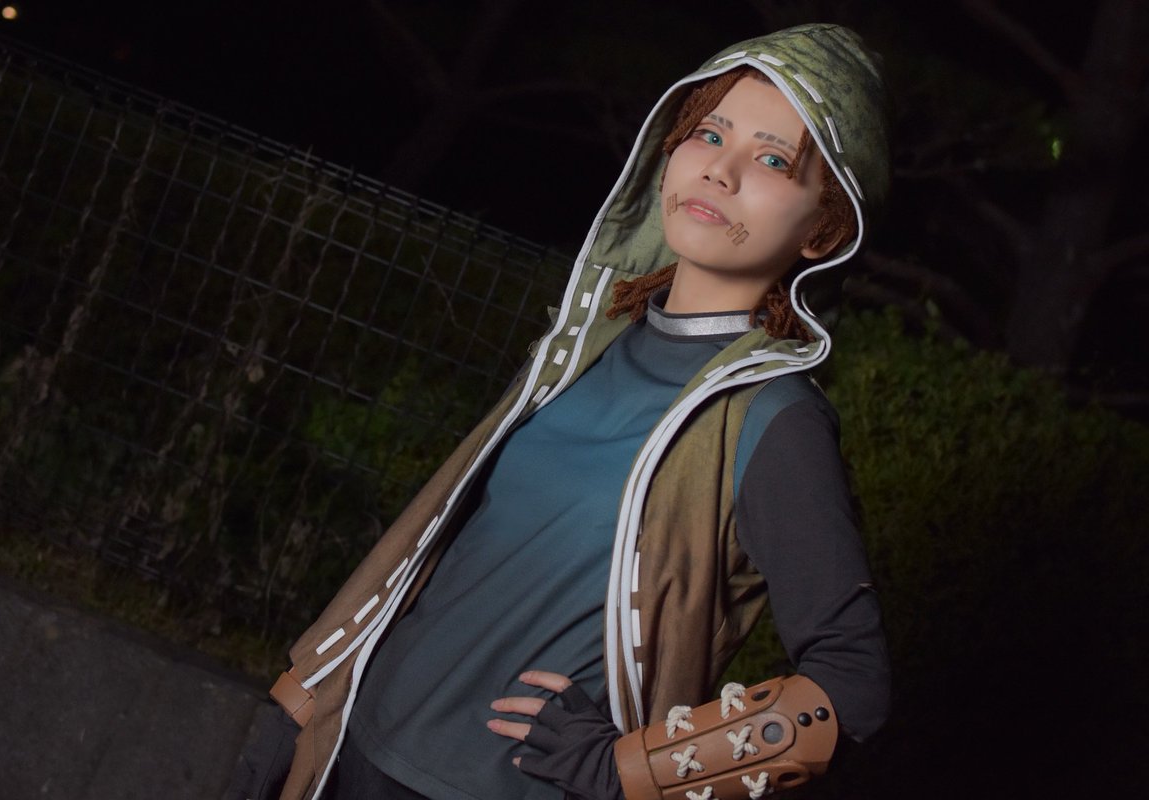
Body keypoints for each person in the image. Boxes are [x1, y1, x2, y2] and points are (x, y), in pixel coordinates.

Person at [254, 22, 892, 800]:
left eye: (771, 160)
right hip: (353, 745)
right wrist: (301, 700)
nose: (718, 171)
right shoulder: (587, 343)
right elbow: (441, 538)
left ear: (824, 228)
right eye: (708, 134)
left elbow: (851, 689)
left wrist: (629, 770)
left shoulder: (772, 419)